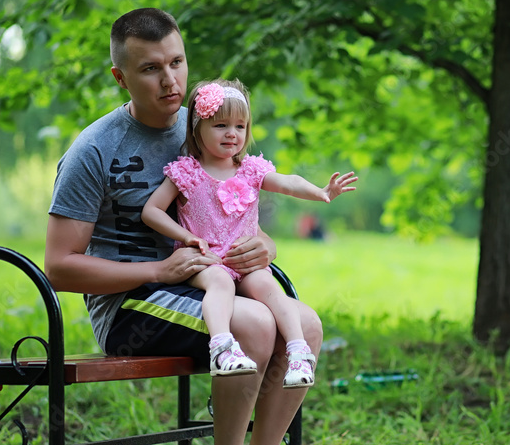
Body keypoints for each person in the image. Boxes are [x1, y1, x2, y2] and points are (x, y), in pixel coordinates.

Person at [45, 8, 324, 445]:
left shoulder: (209, 128)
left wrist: (263, 248)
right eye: (150, 68)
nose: (170, 79)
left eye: (177, 62)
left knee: (306, 325)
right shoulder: (94, 151)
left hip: (210, 283)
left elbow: (242, 216)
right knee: (256, 325)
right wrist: (159, 268)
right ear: (120, 77)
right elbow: (59, 268)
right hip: (132, 306)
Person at [141, 78, 356, 388]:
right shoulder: (188, 171)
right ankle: (222, 347)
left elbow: (288, 181)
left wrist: (320, 192)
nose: (232, 133)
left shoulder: (250, 170)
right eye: (221, 125)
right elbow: (151, 211)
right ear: (197, 129)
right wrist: (186, 236)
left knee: (269, 289)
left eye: (240, 127)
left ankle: (298, 353)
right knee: (219, 282)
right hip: (207, 258)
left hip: (243, 261)